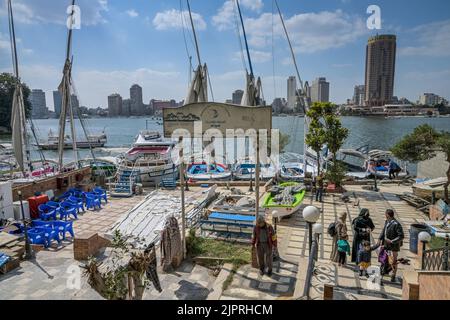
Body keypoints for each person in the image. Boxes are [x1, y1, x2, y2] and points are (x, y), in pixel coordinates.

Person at [378, 209, 404, 282]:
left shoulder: (397, 224)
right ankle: (383, 272)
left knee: (393, 261)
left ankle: (393, 274)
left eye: (385, 214)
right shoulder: (387, 221)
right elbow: (384, 231)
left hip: (394, 247)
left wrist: (392, 241)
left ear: (388, 215)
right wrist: (380, 239)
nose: (385, 215)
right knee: (384, 259)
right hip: (386, 245)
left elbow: (401, 236)